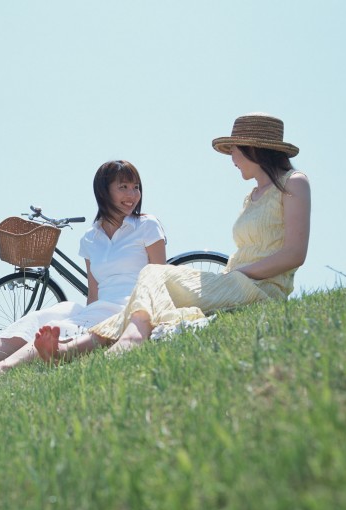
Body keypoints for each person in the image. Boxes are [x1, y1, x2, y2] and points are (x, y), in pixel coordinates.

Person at [34, 113, 311, 361]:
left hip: (262, 287)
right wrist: (232, 275)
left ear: (253, 150)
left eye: (234, 151)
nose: (232, 160)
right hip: (235, 279)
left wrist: (240, 274)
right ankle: (74, 348)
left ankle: (129, 339)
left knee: (155, 274)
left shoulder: (294, 182)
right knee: (153, 286)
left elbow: (294, 254)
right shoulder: (250, 197)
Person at [0, 160, 167, 387]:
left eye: (136, 187)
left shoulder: (146, 225)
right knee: (38, 318)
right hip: (101, 305)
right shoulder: (91, 238)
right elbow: (93, 293)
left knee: (58, 326)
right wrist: (88, 316)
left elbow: (159, 279)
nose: (132, 195)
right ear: (104, 191)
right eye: (123, 186)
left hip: (133, 302)